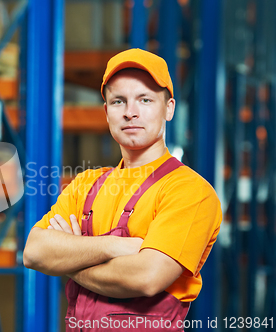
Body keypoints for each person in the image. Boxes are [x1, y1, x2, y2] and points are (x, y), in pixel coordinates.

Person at [23, 48, 223, 331]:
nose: (131, 113)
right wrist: (115, 246)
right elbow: (34, 251)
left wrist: (70, 257)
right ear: (106, 112)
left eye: (145, 99)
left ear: (169, 108)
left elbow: (147, 276)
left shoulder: (188, 191)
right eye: (118, 101)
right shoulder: (86, 184)